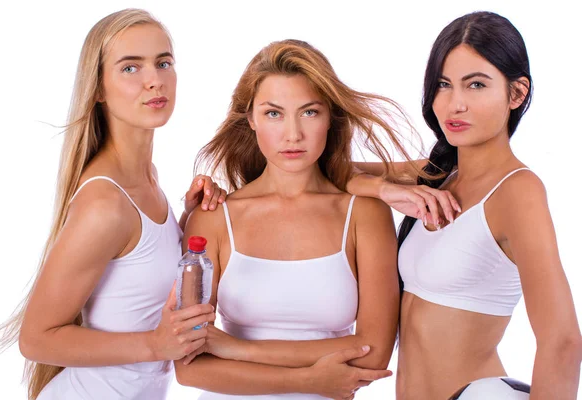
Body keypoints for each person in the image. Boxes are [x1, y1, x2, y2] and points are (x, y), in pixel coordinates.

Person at [172, 39, 440, 400]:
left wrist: (238, 349)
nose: (293, 134)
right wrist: (307, 381)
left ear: (330, 116)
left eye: (309, 112)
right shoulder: (214, 217)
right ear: (250, 118)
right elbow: (189, 368)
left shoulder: (364, 213)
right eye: (273, 113)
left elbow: (373, 353)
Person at [0, 9, 226, 400]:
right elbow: (36, 340)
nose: (155, 80)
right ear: (98, 88)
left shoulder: (146, 176)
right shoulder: (106, 202)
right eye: (130, 68)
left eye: (163, 62)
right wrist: (154, 345)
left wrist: (188, 218)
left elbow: (135, 279)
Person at [348, 11, 582, 399]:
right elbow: (317, 170)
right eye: (443, 85)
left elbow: (562, 341)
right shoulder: (438, 174)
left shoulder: (517, 192)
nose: (454, 104)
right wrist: (384, 190)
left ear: (517, 93)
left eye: (475, 84)